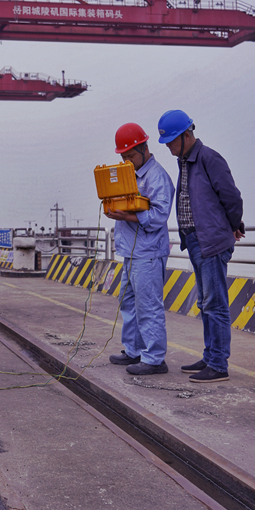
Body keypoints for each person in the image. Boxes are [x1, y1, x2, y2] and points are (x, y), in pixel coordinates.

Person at [158, 110, 244, 384]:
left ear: (187, 135)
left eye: (172, 141)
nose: (169, 147)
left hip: (211, 239)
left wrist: (235, 224)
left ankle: (219, 364)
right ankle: (209, 356)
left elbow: (231, 196)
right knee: (205, 302)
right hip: (195, 240)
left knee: (215, 303)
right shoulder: (185, 161)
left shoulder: (208, 158)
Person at [107, 123, 175, 376]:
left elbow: (158, 215)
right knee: (128, 303)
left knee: (148, 306)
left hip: (148, 253)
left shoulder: (157, 177)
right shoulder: (129, 174)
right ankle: (134, 350)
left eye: (131, 156)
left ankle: (155, 358)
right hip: (131, 251)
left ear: (145, 149)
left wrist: (128, 216)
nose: (127, 161)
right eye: (123, 157)